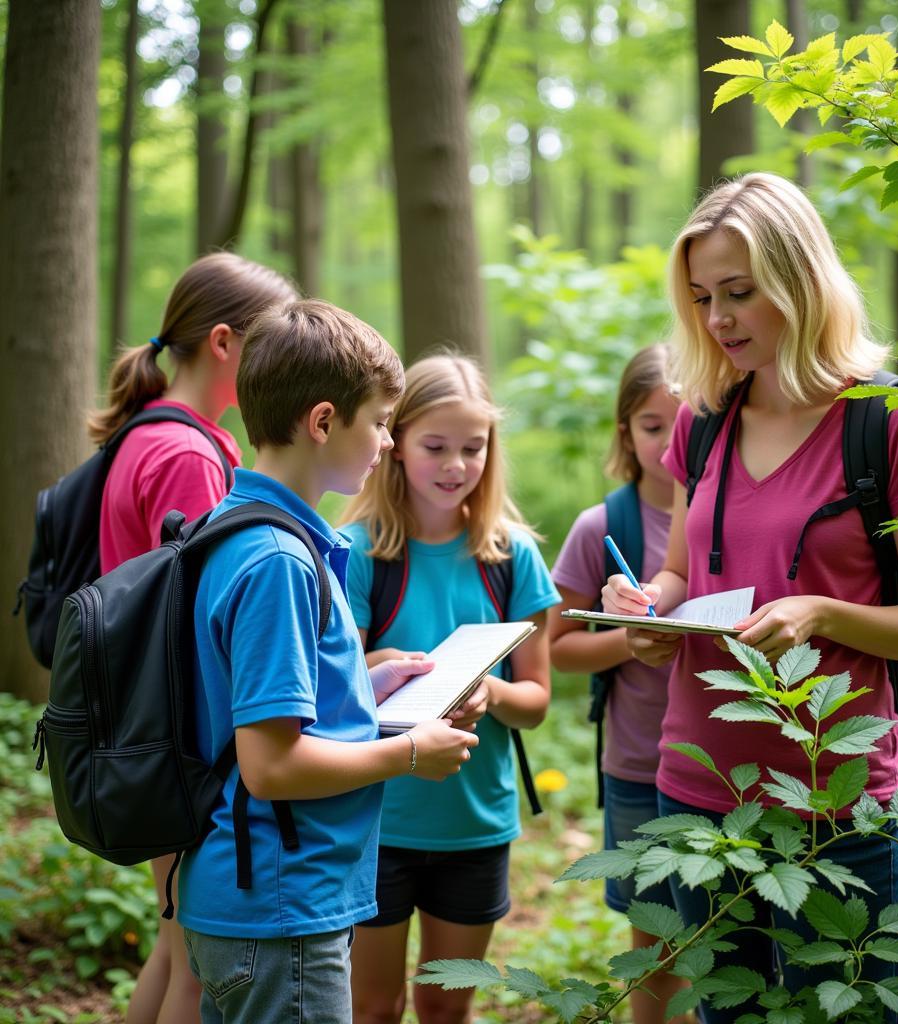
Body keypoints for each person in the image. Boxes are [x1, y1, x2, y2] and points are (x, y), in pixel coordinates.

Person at [601, 172, 898, 1024]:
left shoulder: (893, 422)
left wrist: (822, 614)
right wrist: (645, 611)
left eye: (739, 292)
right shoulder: (702, 421)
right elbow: (683, 579)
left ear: (801, 284)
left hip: (835, 796)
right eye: (699, 298)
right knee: (724, 1013)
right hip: (698, 787)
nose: (717, 319)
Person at [177, 300, 479, 1024]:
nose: (384, 442)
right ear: (321, 422)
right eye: (378, 422)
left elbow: (247, 699)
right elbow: (270, 765)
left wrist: (364, 691)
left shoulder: (235, 524)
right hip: (282, 909)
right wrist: (408, 752)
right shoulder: (279, 560)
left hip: (245, 898)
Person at [88, 251, 296, 1024]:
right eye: (271, 344)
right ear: (223, 343)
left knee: (177, 948)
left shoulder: (154, 435)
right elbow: (216, 616)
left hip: (148, 727)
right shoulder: (189, 456)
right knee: (197, 970)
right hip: (177, 741)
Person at [342, 353, 561, 1024]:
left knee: (446, 1009)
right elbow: (332, 698)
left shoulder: (511, 555)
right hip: (375, 823)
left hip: (474, 828)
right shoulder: (357, 551)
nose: (456, 464)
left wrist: (491, 695)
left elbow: (537, 702)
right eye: (435, 446)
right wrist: (381, 666)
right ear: (396, 444)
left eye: (473, 447)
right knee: (374, 1008)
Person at [548, 343, 695, 1024]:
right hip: (639, 762)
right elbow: (560, 650)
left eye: (682, 421)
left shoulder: (729, 510)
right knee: (656, 943)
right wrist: (633, 643)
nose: (667, 444)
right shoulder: (603, 526)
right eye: (650, 425)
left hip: (730, 762)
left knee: (726, 939)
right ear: (625, 433)